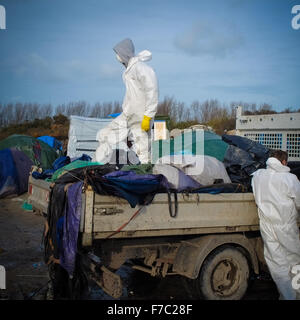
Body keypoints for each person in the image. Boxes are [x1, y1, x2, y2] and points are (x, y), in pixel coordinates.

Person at [94, 38, 159, 164]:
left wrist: (148, 115)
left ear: (125, 53)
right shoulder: (129, 70)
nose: (117, 57)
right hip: (128, 114)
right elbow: (132, 95)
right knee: (105, 134)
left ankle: (143, 174)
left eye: (118, 53)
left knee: (142, 148)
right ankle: (99, 165)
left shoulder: (140, 67)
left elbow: (152, 90)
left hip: (141, 116)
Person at [251, 150, 300, 300]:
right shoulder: (290, 179)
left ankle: (287, 296)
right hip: (285, 226)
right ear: (284, 162)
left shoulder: (257, 176)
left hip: (266, 225)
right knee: (294, 261)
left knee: (277, 264)